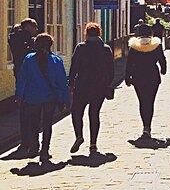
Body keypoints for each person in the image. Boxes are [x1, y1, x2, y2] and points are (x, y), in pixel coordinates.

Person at [15, 33, 70, 162]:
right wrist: (65, 99)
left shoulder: (29, 59)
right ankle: (45, 150)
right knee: (47, 124)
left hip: (32, 97)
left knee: (33, 122)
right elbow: (62, 82)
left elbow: (22, 78)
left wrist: (19, 95)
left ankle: (34, 144)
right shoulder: (56, 60)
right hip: (50, 97)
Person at [68, 22, 114, 155]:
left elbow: (74, 67)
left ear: (86, 33)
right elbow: (111, 70)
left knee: (77, 112)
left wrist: (71, 83)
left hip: (82, 84)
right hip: (99, 86)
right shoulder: (105, 49)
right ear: (99, 33)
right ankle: (93, 144)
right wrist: (107, 83)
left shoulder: (81, 47)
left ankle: (79, 136)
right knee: (94, 114)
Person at [125, 23, 167, 143]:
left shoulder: (134, 46)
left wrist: (127, 77)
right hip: (153, 76)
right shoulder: (155, 45)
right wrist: (163, 69)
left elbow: (129, 63)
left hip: (138, 77)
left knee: (142, 102)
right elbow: (162, 60)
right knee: (150, 101)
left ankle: (145, 127)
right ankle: (148, 127)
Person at [8, 18, 38, 154]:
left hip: (19, 75)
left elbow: (11, 38)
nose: (36, 30)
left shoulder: (15, 38)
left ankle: (26, 141)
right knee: (32, 110)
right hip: (29, 76)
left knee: (24, 109)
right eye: (35, 27)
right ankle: (31, 141)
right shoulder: (28, 41)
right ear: (29, 27)